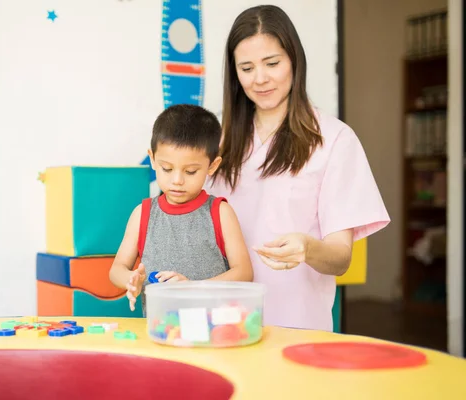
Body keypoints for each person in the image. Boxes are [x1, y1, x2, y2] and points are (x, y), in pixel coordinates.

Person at [207, 5, 390, 331]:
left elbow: (340, 258)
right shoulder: (218, 142)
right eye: (246, 68)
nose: (260, 78)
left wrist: (308, 248)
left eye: (272, 63)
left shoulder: (333, 140)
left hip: (297, 329)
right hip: (224, 325)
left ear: (294, 60)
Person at [109, 104, 254, 312]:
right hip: (161, 330)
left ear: (212, 166)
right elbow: (116, 269)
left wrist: (193, 288)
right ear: (152, 159)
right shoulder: (143, 214)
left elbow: (244, 273)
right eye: (166, 169)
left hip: (214, 330)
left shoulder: (220, 213)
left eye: (191, 171)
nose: (177, 180)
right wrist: (131, 279)